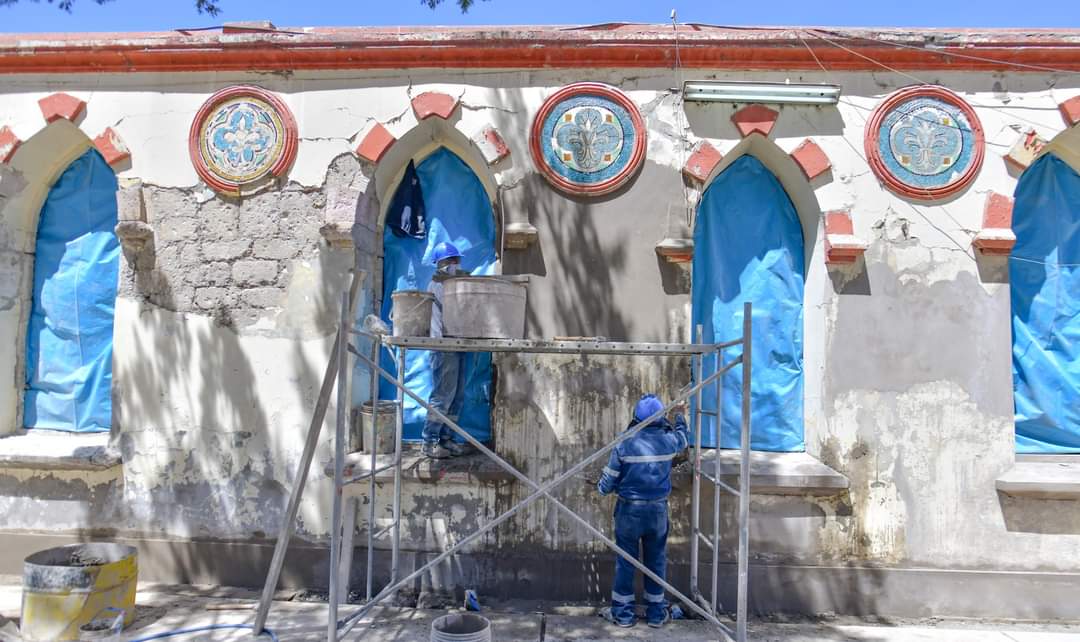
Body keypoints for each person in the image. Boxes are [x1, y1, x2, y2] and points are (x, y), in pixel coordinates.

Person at [596, 393, 690, 629]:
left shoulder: (625, 442)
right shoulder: (669, 441)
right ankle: (657, 614)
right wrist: (679, 415)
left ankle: (623, 615)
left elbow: (606, 485)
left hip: (629, 511)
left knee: (626, 562)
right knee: (656, 560)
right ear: (660, 417)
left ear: (636, 417)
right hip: (657, 511)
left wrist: (602, 487)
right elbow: (683, 439)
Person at [422, 241, 469, 459]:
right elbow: (455, 309)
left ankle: (447, 438)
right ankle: (429, 441)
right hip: (443, 345)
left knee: (457, 396)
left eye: (456, 260)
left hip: (457, 343)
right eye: (452, 261)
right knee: (442, 396)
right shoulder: (439, 283)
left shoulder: (453, 283)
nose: (456, 264)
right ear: (442, 264)